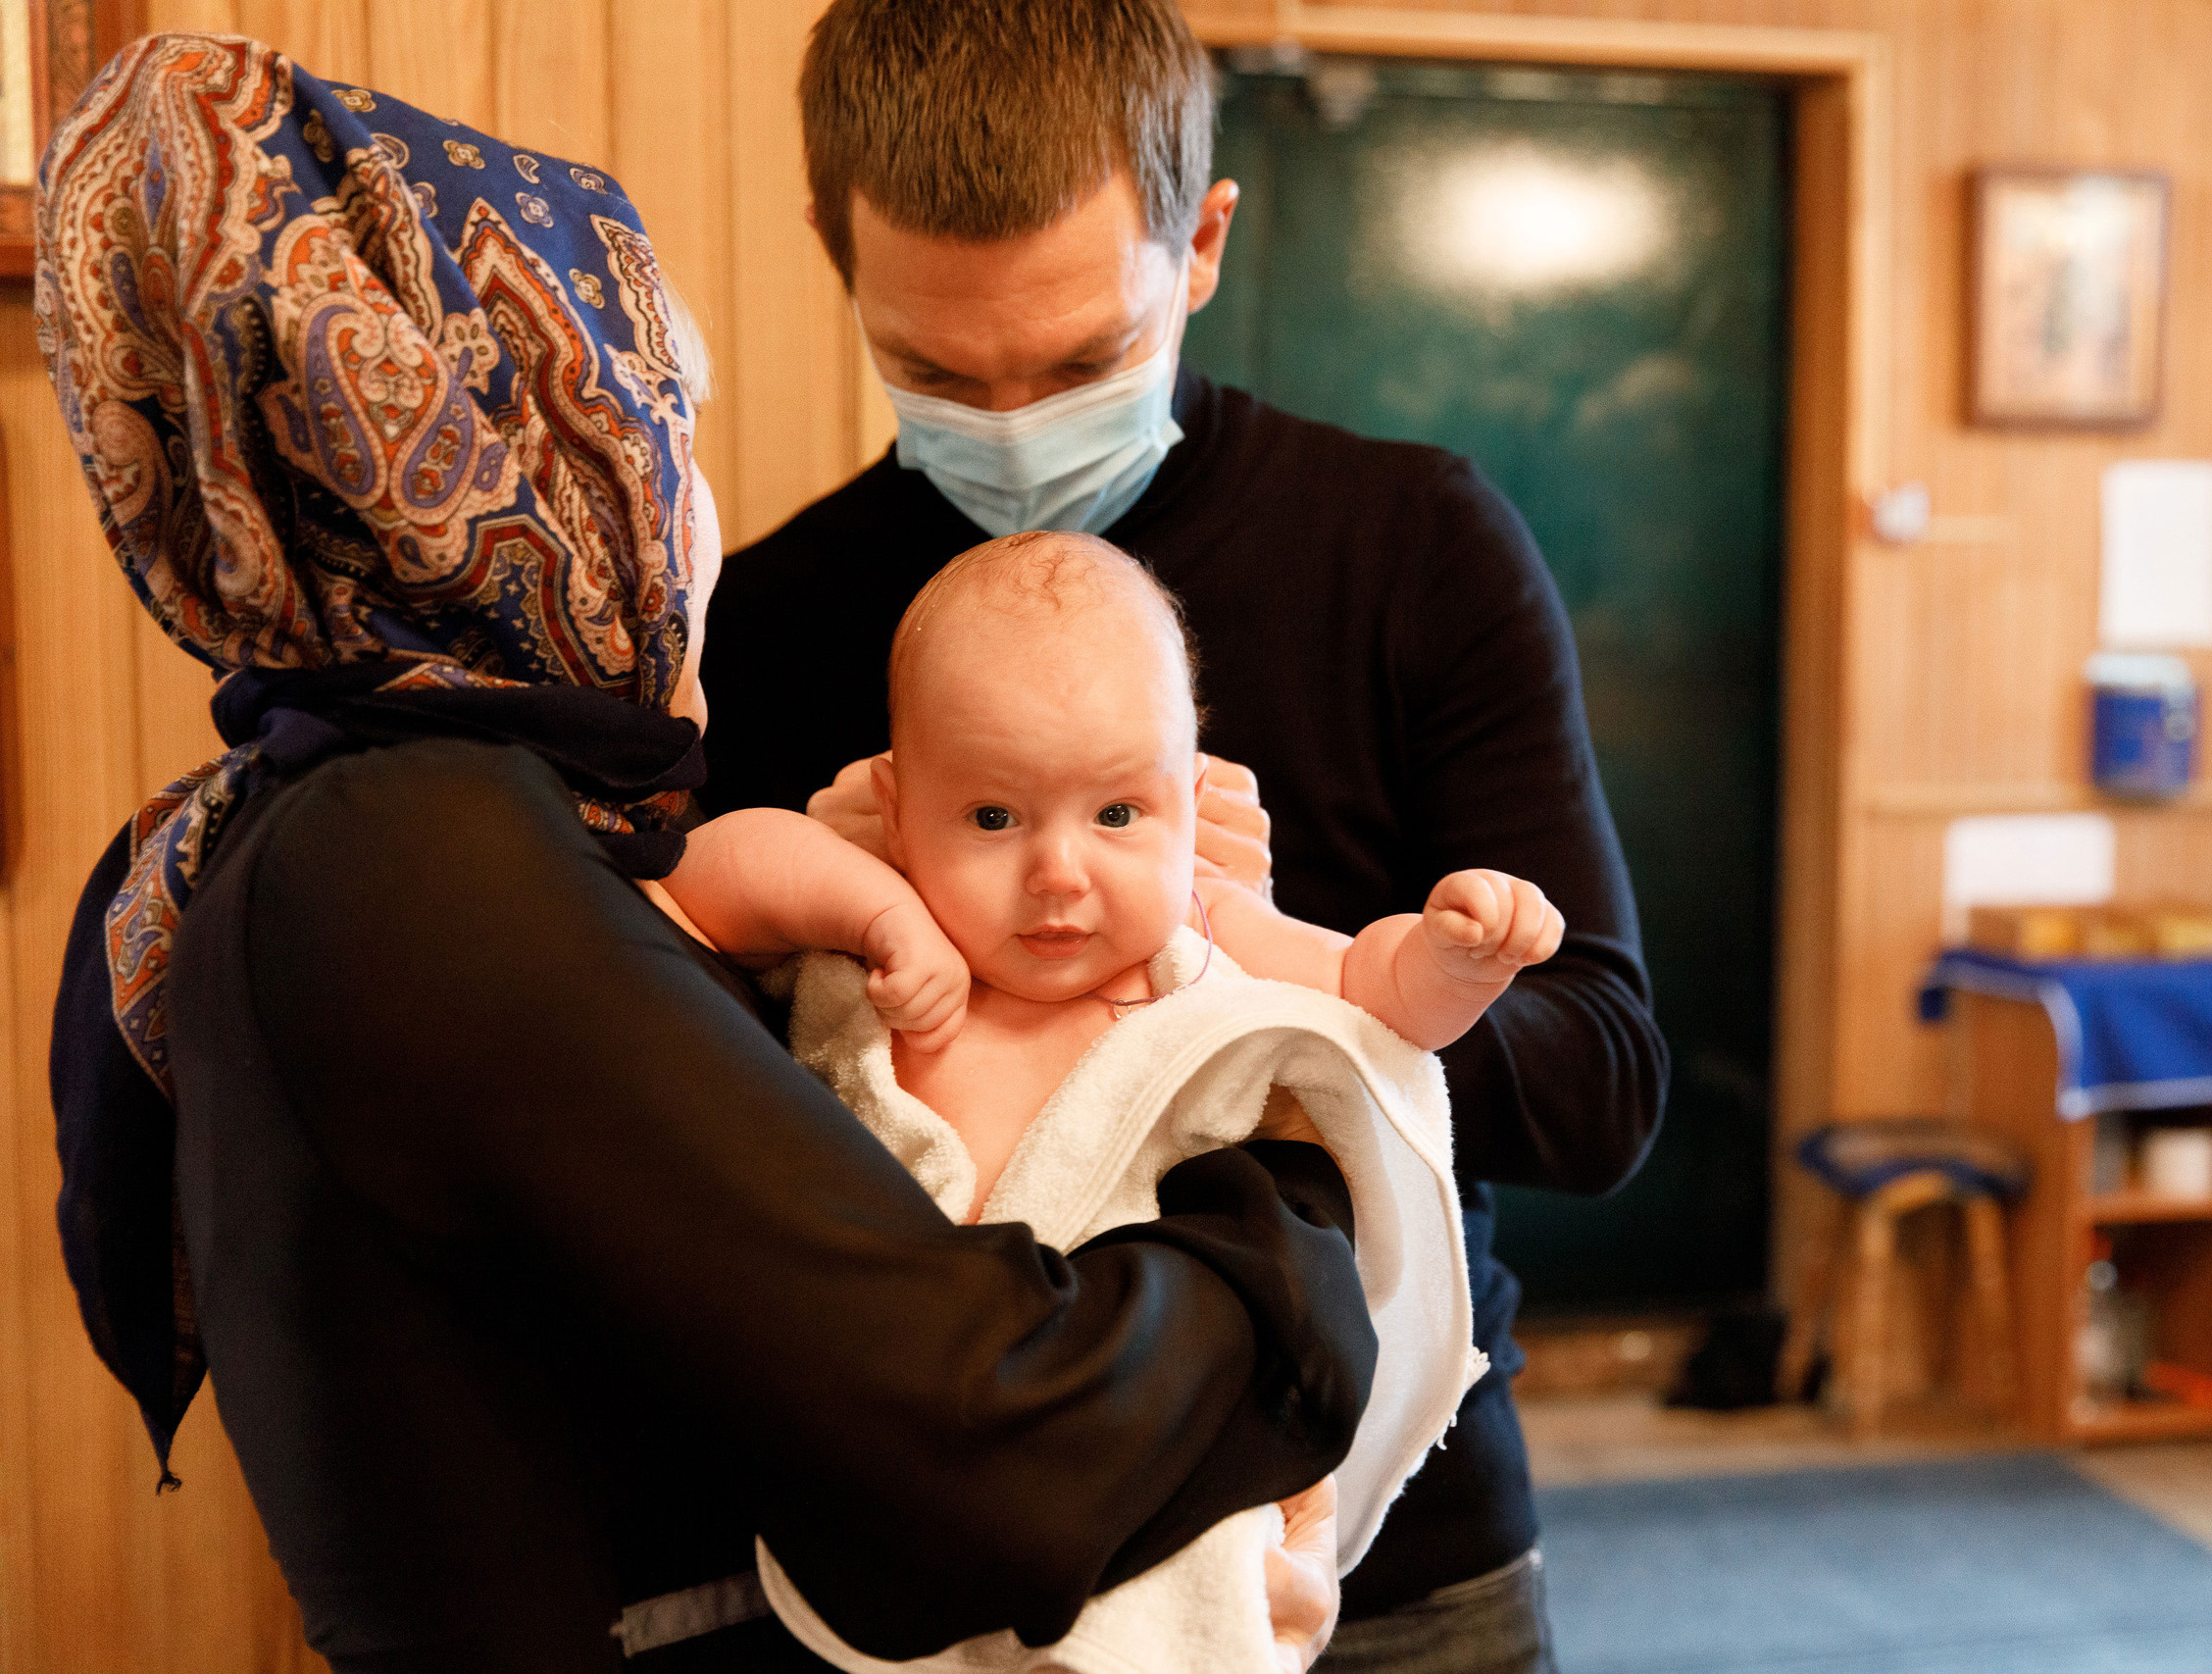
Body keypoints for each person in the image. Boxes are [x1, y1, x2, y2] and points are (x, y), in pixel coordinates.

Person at [41, 35, 1374, 1674]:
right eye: (664, 415)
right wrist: (1292, 1226)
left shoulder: (434, 818)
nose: (691, 491)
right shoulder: (417, 853)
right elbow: (988, 1458)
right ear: (544, 454)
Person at [700, 5, 1673, 1668]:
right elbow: (712, 1102)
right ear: (834, 251)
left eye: (1082, 360)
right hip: (951, 1538)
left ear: (1203, 241)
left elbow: (1599, 1084)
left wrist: (1291, 967)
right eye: (934, 370)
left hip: (1387, 1561)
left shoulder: (1415, 549)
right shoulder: (779, 616)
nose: (1009, 425)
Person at [669, 529, 1546, 1669]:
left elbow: (1365, 997)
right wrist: (870, 906)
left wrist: (1453, 958)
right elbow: (698, 879)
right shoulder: (882, 904)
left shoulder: (1201, 924)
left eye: (1118, 815)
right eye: (992, 818)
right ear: (895, 800)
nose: (1059, 875)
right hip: (926, 1428)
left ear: (1192, 801)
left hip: (1157, 1428)